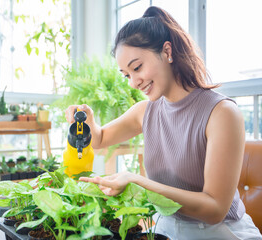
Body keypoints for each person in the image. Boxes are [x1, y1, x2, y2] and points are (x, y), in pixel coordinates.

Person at [65, 6, 262, 240]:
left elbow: (215, 210)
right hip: (164, 226)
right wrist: (88, 124)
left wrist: (139, 183)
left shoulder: (222, 113)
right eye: (126, 75)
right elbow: (100, 140)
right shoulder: (145, 111)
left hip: (218, 232)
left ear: (167, 51)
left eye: (137, 67)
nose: (133, 82)